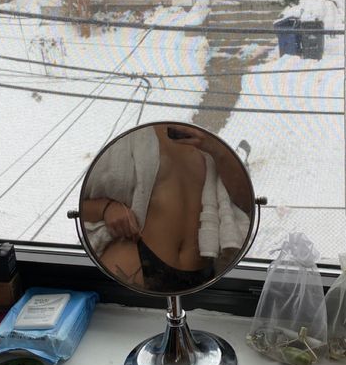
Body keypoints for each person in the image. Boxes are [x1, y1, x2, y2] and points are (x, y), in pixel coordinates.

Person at [81, 124, 252, 292]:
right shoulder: (128, 139)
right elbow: (79, 206)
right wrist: (106, 208)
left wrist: (217, 149)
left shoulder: (207, 142)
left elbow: (245, 204)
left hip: (202, 273)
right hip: (134, 260)